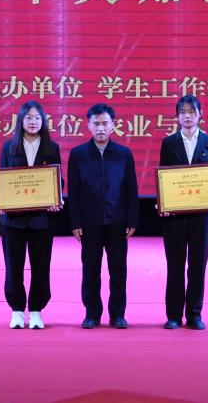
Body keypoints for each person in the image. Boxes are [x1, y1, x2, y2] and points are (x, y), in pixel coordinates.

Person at [157, 95, 208, 330]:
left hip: (202, 215)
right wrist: (163, 202)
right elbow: (164, 176)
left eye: (191, 112)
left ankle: (194, 315)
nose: (187, 116)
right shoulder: (169, 143)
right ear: (177, 116)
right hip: (175, 216)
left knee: (198, 266)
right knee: (175, 266)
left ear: (200, 115)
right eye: (183, 112)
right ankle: (173, 316)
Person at [0, 100, 62, 329]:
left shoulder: (52, 148)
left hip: (42, 219)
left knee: (41, 267)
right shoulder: (9, 147)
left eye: (37, 118)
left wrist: (56, 199)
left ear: (43, 121)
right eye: (29, 118)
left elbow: (58, 180)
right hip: (13, 220)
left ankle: (36, 311)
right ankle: (17, 311)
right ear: (21, 120)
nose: (33, 122)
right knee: (13, 267)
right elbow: (1, 179)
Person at [67, 103, 139, 329]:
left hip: (118, 221)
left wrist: (132, 219)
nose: (100, 128)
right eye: (96, 123)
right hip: (89, 223)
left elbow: (131, 189)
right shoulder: (78, 154)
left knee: (118, 271)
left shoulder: (123, 154)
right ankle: (92, 314)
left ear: (113, 126)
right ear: (88, 125)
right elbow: (73, 192)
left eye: (105, 123)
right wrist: (75, 222)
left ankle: (117, 314)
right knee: (90, 270)